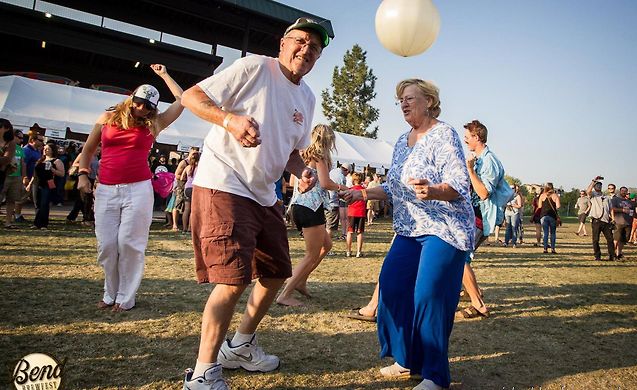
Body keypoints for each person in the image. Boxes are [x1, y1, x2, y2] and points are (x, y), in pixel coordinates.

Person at [180, 17, 330, 390]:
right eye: (300, 42)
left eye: (315, 48)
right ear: (283, 42)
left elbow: (291, 152)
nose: (306, 50)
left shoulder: (307, 97)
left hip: (265, 194)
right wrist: (229, 120)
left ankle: (241, 345)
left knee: (277, 271)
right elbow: (192, 96)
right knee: (233, 280)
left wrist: (300, 171)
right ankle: (201, 373)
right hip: (224, 183)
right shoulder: (254, 68)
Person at [343, 78, 474, 390]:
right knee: (392, 287)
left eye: (410, 98)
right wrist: (362, 193)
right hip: (410, 228)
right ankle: (407, 361)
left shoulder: (444, 133)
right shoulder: (402, 141)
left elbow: (459, 183)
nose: (403, 103)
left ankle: (435, 376)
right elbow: (394, 186)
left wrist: (433, 190)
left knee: (428, 294)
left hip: (445, 227)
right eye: (400, 99)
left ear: (428, 101)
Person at [77, 64, 184, 312]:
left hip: (138, 189)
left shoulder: (152, 124)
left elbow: (182, 100)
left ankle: (126, 297)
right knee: (106, 245)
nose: (142, 108)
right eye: (139, 102)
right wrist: (83, 174)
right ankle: (109, 292)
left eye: (148, 106)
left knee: (129, 244)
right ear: (131, 98)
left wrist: (165, 74)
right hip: (106, 188)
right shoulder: (107, 118)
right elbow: (88, 150)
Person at [276, 124, 347, 307]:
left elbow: (294, 181)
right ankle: (286, 293)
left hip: (299, 205)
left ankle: (301, 281)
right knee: (311, 254)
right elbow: (325, 183)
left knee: (327, 245)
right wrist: (345, 188)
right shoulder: (320, 155)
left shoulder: (302, 155)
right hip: (311, 207)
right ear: (327, 139)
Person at [463, 119, 512, 319]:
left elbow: (483, 193)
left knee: (458, 257)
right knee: (460, 257)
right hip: (473, 215)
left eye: (467, 137)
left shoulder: (489, 161)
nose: (465, 140)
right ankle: (470, 291)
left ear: (477, 137)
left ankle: (478, 304)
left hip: (481, 217)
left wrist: (471, 171)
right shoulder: (479, 157)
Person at [27, 144, 65, 229]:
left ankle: (44, 224)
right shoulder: (40, 160)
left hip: (47, 184)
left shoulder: (56, 161)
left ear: (52, 150)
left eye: (48, 149)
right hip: (36, 183)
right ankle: (36, 223)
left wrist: (53, 169)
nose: (45, 150)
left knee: (44, 203)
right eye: (44, 148)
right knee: (37, 203)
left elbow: (62, 174)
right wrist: (30, 184)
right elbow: (34, 174)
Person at [1, 127, 26, 229]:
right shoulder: (5, 146)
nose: (21, 140)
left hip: (16, 177)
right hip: (5, 176)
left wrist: (23, 177)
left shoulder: (20, 149)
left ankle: (8, 222)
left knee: (11, 200)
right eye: (19, 137)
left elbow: (22, 163)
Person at [346, 172, 367, 257]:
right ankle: (358, 251)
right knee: (360, 232)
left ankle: (348, 251)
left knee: (350, 232)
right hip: (361, 212)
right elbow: (366, 200)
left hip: (352, 212)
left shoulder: (350, 189)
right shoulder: (364, 190)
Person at [610, 186, 633, 260]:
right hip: (618, 222)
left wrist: (631, 212)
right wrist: (622, 210)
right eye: (622, 190)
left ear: (627, 192)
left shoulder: (629, 202)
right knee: (616, 239)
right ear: (620, 191)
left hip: (628, 223)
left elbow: (632, 211)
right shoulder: (615, 199)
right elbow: (612, 209)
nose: (624, 192)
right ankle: (612, 254)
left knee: (623, 240)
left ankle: (619, 254)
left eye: (625, 191)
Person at [538, 182, 561, 254]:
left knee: (545, 233)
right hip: (552, 216)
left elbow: (539, 206)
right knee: (553, 233)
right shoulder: (555, 196)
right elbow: (558, 206)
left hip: (543, 216)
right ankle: (553, 249)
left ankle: (545, 249)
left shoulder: (542, 196)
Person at [180, 151, 199, 234]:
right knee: (193, 210)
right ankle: (189, 228)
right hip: (195, 189)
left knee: (186, 209)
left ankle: (184, 228)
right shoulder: (199, 168)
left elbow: (181, 178)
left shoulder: (187, 167)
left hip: (187, 188)